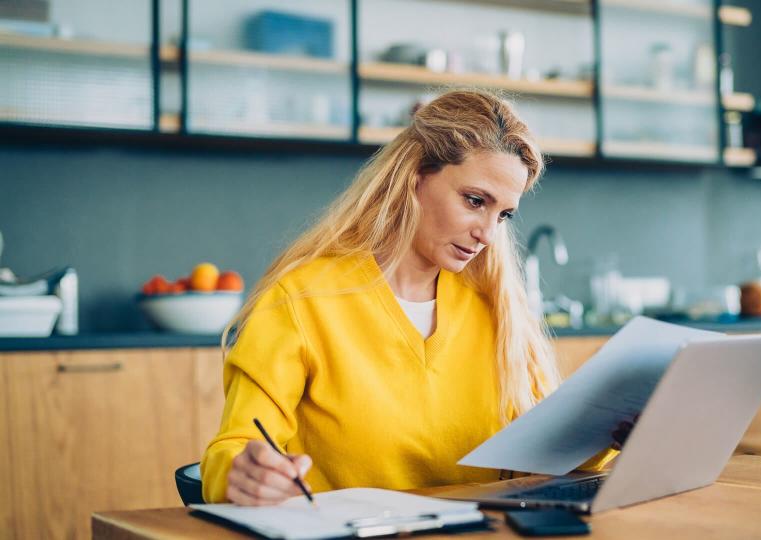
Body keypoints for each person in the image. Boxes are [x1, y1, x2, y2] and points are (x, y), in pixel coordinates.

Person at [201, 89, 628, 505]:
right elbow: (236, 447)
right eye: (475, 200)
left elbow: (538, 457)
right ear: (415, 178)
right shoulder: (301, 299)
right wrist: (245, 473)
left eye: (503, 214)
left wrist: (612, 433)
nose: (488, 234)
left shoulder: (495, 307)